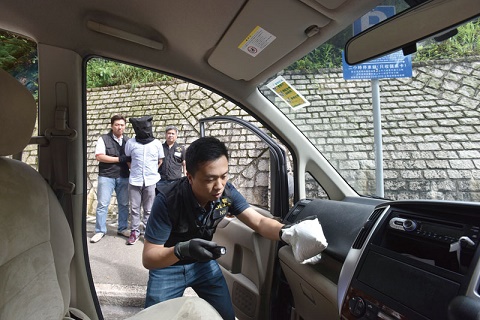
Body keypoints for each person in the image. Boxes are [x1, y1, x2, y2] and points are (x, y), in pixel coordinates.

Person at [142, 136, 327, 319]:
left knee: (226, 316)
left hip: (203, 265)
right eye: (210, 179)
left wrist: (287, 232)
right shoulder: (168, 201)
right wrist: (182, 249)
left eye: (224, 176)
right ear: (190, 177)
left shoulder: (226, 193)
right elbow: (149, 258)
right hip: (168, 267)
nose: (219, 186)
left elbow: (259, 222)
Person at [91, 114, 131, 243]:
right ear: (112, 126)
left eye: (122, 125)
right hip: (106, 176)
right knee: (102, 204)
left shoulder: (128, 141)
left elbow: (131, 159)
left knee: (124, 204)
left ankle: (123, 228)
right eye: (117, 125)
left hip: (124, 176)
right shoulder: (103, 139)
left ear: (125, 126)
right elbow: (100, 156)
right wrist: (119, 159)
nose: (120, 127)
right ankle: (100, 231)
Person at [125, 115, 164, 245]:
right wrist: (133, 170)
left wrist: (152, 171)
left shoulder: (157, 143)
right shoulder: (131, 143)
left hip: (151, 180)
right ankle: (134, 232)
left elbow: (160, 160)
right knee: (135, 208)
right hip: (134, 180)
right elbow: (128, 159)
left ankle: (147, 231)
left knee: (149, 209)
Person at [156, 125, 186, 192]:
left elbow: (184, 164)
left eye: (173, 134)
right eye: (169, 133)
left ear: (176, 136)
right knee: (161, 200)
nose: (171, 135)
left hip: (175, 181)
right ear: (166, 135)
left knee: (174, 200)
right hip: (161, 181)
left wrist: (185, 176)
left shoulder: (181, 149)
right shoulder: (160, 148)